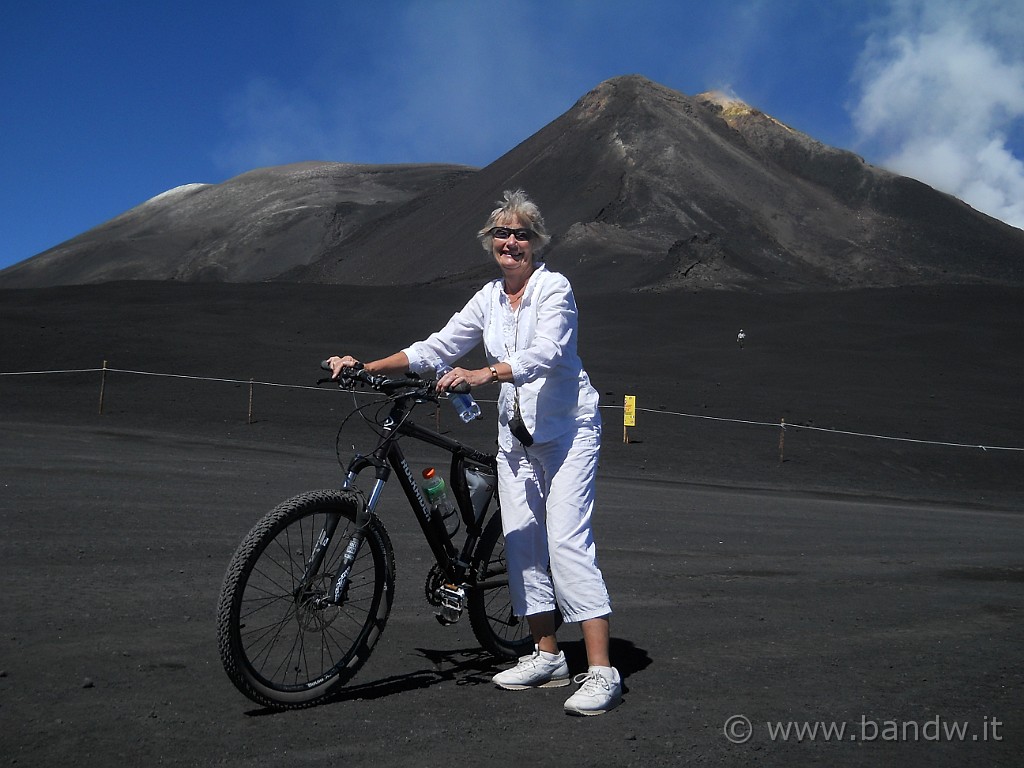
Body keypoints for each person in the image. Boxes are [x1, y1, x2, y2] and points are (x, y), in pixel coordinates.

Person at [326, 189, 621, 716]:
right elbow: (436, 348)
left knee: (566, 539)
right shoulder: (488, 299)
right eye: (502, 234)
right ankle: (547, 654)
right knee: (524, 541)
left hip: (568, 432)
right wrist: (365, 367)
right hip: (516, 436)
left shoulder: (555, 289)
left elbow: (548, 352)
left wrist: (485, 372)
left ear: (536, 242)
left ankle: (602, 670)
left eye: (521, 233)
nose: (511, 242)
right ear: (490, 242)